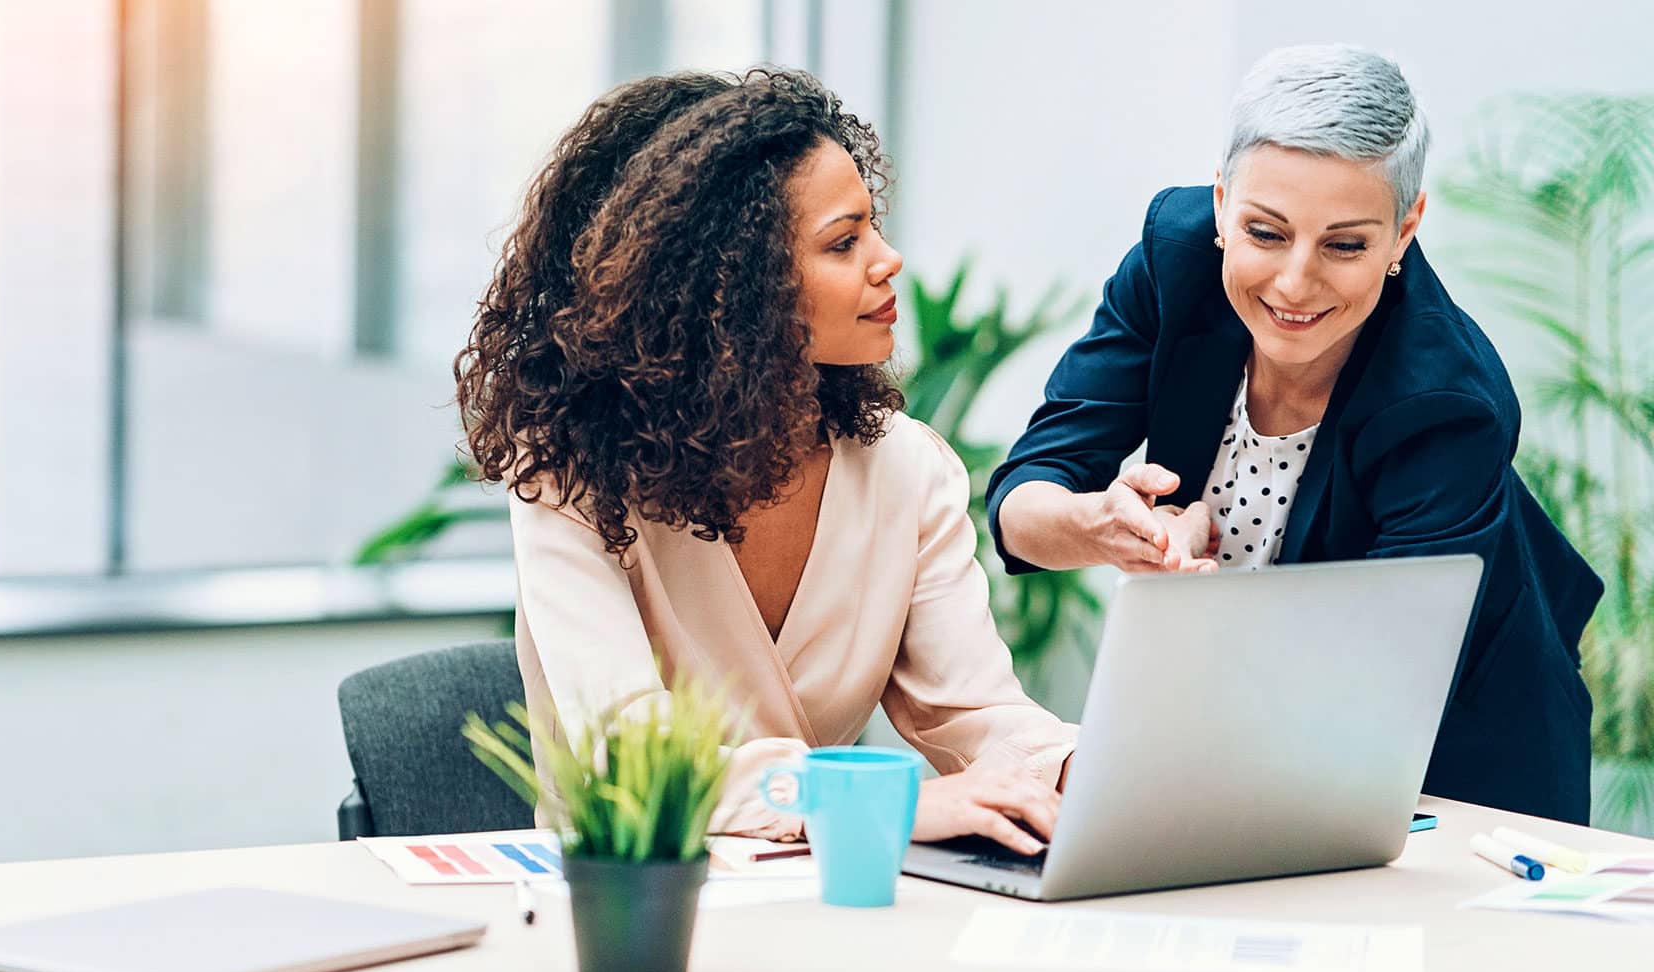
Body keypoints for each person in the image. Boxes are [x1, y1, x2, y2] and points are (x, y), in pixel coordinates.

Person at [455, 69, 1076, 850]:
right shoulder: (571, 479)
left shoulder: (907, 470)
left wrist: (1078, 767)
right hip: (630, 921)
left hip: (826, 904)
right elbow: (630, 755)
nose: (889, 261)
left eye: (872, 229)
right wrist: (886, 804)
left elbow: (975, 713)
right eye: (844, 242)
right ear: (733, 285)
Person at [987, 45, 1601, 823]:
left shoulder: (1447, 402)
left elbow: (1385, 679)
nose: (1294, 283)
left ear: (1405, 229)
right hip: (1249, 742)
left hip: (1458, 762)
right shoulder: (1171, 265)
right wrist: (1100, 527)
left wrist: (1208, 631)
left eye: (1345, 244)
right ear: (1219, 204)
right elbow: (1021, 499)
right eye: (1266, 232)